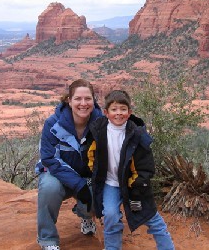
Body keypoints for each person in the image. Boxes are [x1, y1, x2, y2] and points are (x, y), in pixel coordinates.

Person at [89, 90, 175, 250]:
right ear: (106, 112)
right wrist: (95, 173)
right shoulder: (99, 131)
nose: (119, 113)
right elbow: (91, 156)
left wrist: (137, 184)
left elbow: (146, 165)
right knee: (111, 216)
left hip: (134, 186)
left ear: (129, 112)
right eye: (114, 109)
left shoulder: (137, 134)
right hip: (110, 184)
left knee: (150, 216)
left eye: (123, 109)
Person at [35, 79, 103, 250]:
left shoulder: (101, 123)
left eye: (88, 99)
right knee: (49, 187)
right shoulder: (53, 124)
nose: (83, 103)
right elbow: (49, 159)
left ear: (94, 100)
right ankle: (48, 239)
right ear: (69, 100)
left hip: (87, 176)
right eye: (78, 99)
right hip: (58, 175)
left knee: (99, 190)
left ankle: (86, 216)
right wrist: (78, 184)